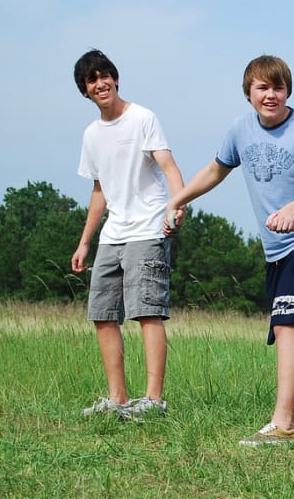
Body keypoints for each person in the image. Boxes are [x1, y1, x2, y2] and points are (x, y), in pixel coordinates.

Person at [163, 55, 294, 444]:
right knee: (293, 327)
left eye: (278, 88)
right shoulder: (240, 129)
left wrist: (293, 212)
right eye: (263, 88)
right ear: (248, 93)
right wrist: (177, 200)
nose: (271, 95)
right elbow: (215, 170)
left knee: (286, 324)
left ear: (288, 91)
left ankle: (283, 424)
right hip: (276, 247)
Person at [71, 49, 185, 419]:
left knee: (147, 312)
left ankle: (153, 402)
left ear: (116, 80)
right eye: (92, 79)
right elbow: (100, 190)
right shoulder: (91, 135)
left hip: (148, 227)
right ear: (85, 92)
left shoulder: (142, 118)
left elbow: (168, 166)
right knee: (103, 314)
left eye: (106, 75)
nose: (101, 83)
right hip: (112, 234)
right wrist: (85, 241)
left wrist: (177, 205)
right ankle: (117, 399)